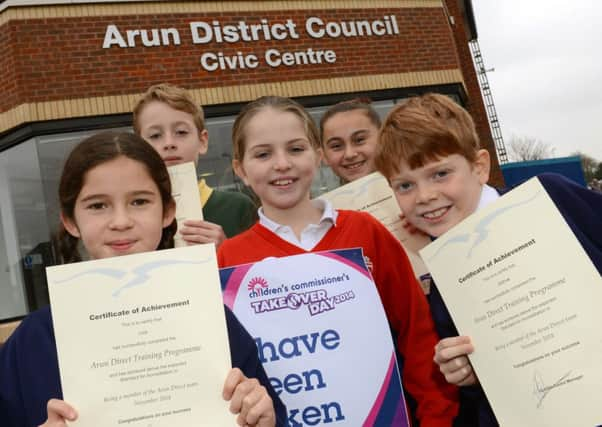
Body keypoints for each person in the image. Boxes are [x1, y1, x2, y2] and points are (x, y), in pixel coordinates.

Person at [0, 131, 286, 427]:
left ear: (167, 212)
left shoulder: (211, 317)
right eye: (97, 205)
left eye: (139, 201)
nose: (121, 221)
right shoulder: (33, 341)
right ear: (70, 221)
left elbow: (274, 417)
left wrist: (265, 419)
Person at [217, 96, 459, 427]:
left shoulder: (365, 231)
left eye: (296, 149)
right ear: (240, 169)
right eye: (263, 154)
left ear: (318, 157)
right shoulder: (227, 260)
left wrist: (436, 419)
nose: (282, 163)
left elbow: (416, 333)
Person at [374, 92, 602, 426]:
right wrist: (468, 375)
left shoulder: (548, 199)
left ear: (480, 166)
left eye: (440, 174)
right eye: (405, 185)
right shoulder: (443, 280)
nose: (424, 196)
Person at [133, 83, 257, 247]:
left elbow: (257, 270)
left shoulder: (237, 207)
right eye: (155, 135)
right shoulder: (130, 216)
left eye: (181, 132)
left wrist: (227, 252)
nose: (169, 143)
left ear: (203, 141)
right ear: (138, 146)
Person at [319, 98, 381, 183]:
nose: (349, 154)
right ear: (324, 156)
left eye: (359, 140)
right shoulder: (330, 197)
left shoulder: (403, 193)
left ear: (383, 139)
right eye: (336, 146)